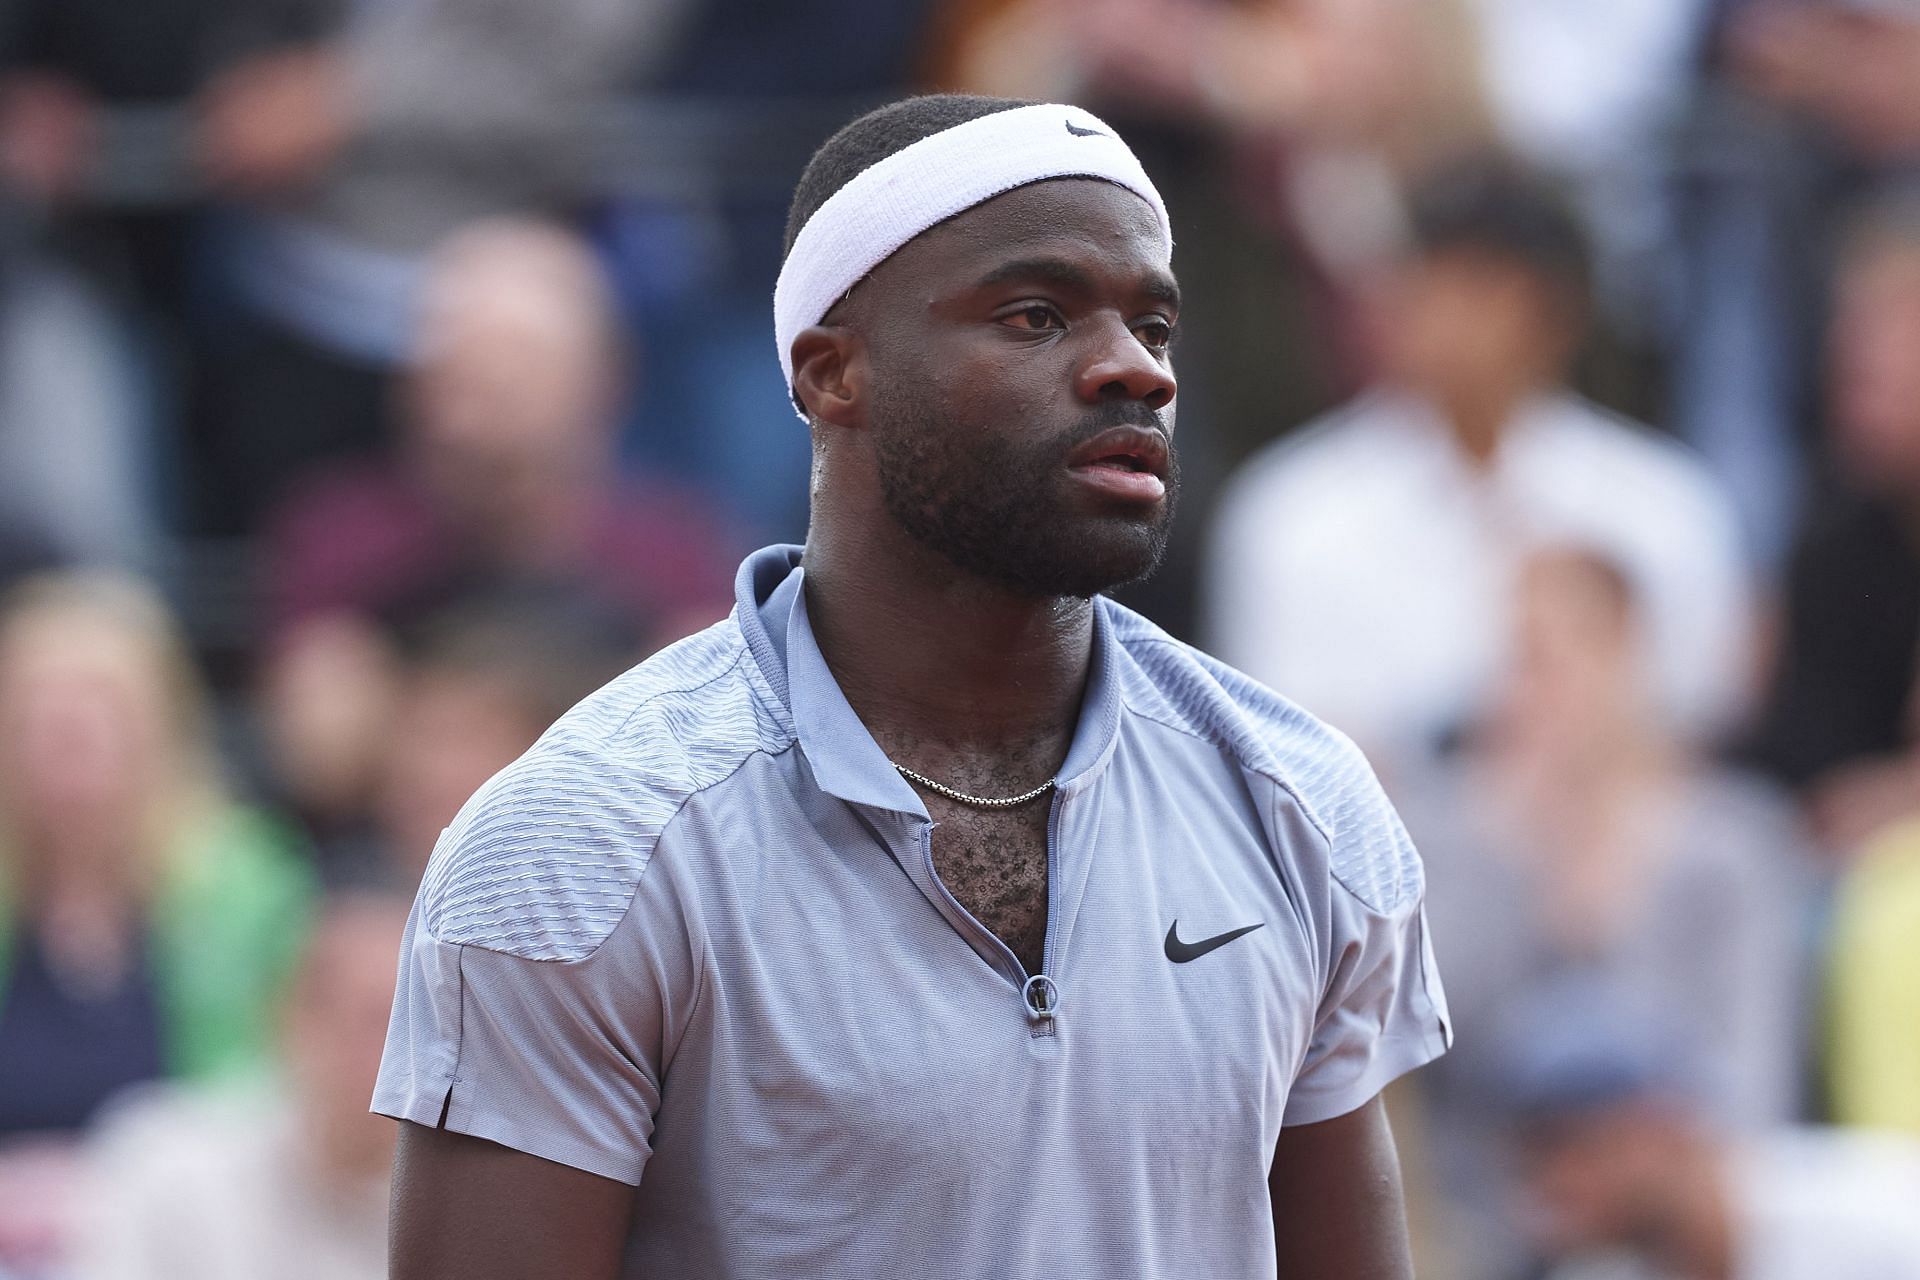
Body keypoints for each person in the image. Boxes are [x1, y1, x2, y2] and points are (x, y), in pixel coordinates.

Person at [375, 94, 1451, 1277]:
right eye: (1038, 315)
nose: (1134, 370)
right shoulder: (581, 846)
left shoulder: (1301, 802)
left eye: (1154, 323)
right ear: (835, 374)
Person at [1205, 156, 1750, 769]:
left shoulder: (1663, 505)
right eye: (1426, 284)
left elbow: (1695, 725)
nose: (1446, 319)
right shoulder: (1294, 515)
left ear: (1558, 313)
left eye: (1481, 289)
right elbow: (1287, 756)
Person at [1399, 547, 1813, 1279]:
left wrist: (1603, 881)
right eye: (1512, 663)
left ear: (1626, 652)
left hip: (1684, 1226)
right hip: (1492, 1226)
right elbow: (1439, 1072)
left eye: (1545, 661)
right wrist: (1526, 863)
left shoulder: (1733, 844)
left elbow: (1749, 1087)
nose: (1521, 695)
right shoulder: (1449, 837)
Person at [0, 573, 314, 1270]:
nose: (66, 730)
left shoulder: (246, 886)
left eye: (97, 704)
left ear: (159, 726)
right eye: (38, 708)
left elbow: (275, 1104)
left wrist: (98, 1192)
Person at [68, 891, 411, 1280]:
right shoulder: (161, 1164)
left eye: (429, 1029)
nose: (406, 1060)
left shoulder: (460, 1221)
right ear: (295, 1019)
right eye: (379, 1020)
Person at [1503, 988, 1920, 1280]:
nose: (1552, 1187)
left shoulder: (1876, 1212)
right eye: (1532, 1162)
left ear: (1663, 1125)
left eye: (1572, 1149)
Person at [1744, 195, 1920, 853]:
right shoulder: (1837, 545)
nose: (1850, 354)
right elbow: (1802, 776)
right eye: (1847, 325)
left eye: (1886, 327)